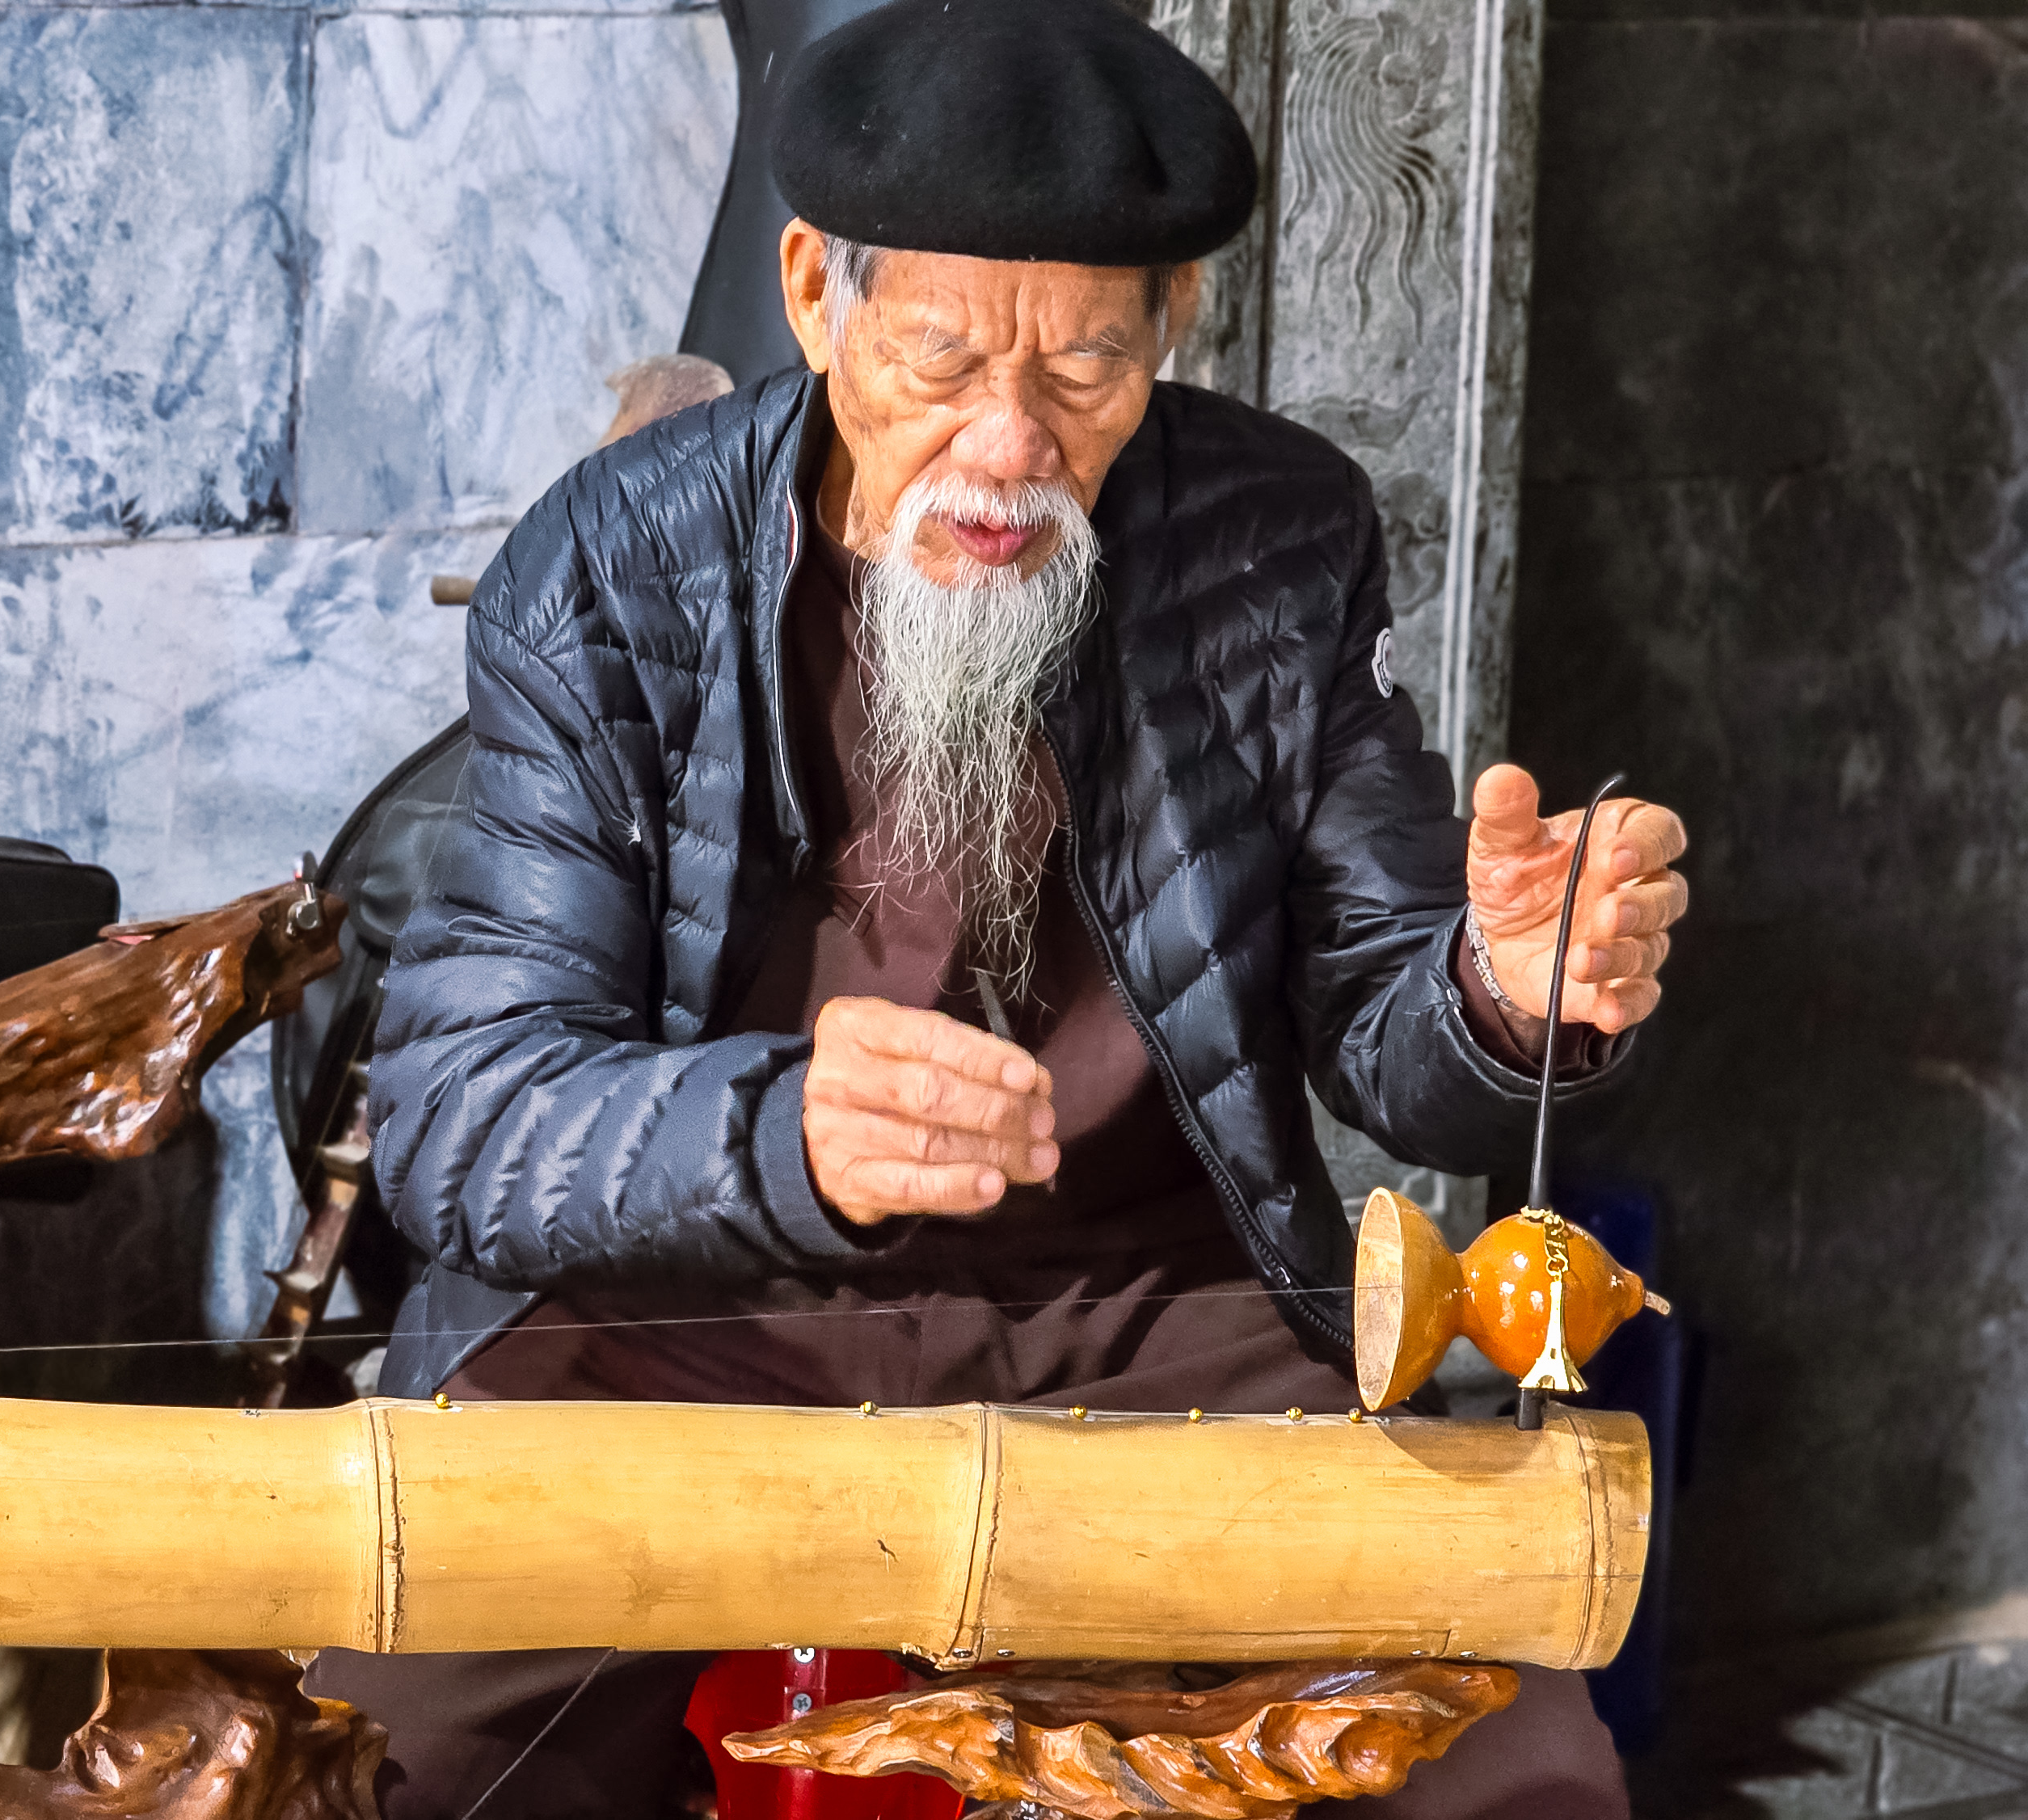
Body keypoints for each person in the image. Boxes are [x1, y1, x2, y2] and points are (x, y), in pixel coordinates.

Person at [301, 0, 1692, 1814]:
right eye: (939, 360)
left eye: (1084, 374)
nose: (1006, 443)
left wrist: (1502, 996)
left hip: (1143, 1307)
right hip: (679, 1305)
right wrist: (775, 1127)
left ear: (1169, 330)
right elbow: (459, 1116)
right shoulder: (611, 560)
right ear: (815, 294)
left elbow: (1385, 1039)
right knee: (374, 1760)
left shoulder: (1270, 534)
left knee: (1498, 1765)